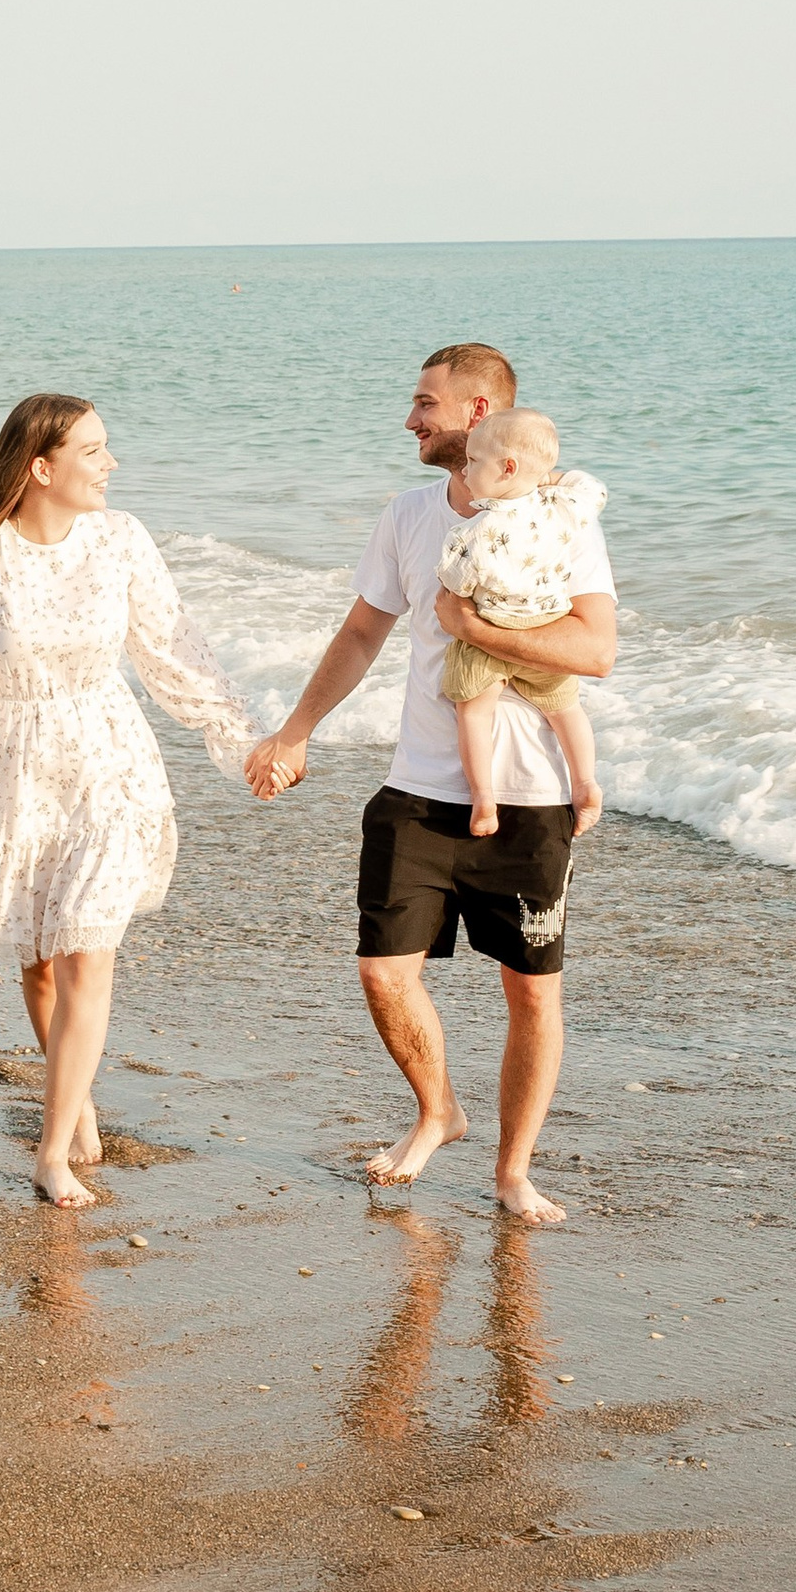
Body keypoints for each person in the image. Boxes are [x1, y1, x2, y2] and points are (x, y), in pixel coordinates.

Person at [243, 343, 617, 1225]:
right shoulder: (408, 517)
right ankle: (437, 1111)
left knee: (532, 990)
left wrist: (471, 625)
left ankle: (512, 1170)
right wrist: (295, 730)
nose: (410, 417)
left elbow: (594, 652)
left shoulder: (565, 523)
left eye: (424, 401)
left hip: (529, 797)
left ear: (479, 414)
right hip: (418, 785)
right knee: (383, 972)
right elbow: (362, 634)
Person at [0, 392, 253, 1210]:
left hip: (110, 762)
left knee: (88, 945)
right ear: (42, 467)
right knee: (39, 961)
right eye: (94, 451)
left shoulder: (120, 538)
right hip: (15, 772)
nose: (112, 464)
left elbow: (173, 648)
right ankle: (79, 1096)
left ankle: (50, 1148)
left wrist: (245, 743)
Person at [437, 406, 607, 838]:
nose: (464, 468)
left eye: (473, 461)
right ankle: (585, 783)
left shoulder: (475, 531)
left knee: (473, 711)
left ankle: (484, 799)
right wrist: (546, 478)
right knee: (566, 709)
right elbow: (592, 488)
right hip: (546, 624)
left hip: (490, 629)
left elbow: (455, 580)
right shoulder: (564, 509)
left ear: (507, 468)